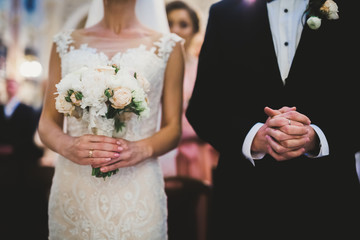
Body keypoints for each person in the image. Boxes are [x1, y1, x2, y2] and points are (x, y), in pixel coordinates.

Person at [186, 0, 360, 239]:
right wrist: (254, 137)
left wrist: (316, 137)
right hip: (244, 201)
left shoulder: (352, 10)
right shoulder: (224, 13)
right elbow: (203, 108)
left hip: (329, 198)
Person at [38, 0, 184, 239]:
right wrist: (68, 145)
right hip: (75, 185)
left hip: (137, 185)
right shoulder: (64, 43)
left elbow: (173, 129)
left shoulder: (168, 46)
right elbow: (46, 122)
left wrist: (142, 149)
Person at [164, 0, 219, 185]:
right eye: (169, 23)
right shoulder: (152, 72)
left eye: (183, 24)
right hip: (164, 153)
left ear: (194, 31)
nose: (175, 30)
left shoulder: (202, 70)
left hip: (198, 153)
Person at [0, 77, 45, 238]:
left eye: (13, 84)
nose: (10, 87)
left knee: (17, 198)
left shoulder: (26, 110)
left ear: (17, 88)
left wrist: (13, 148)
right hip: (2, 163)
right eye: (8, 84)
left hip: (20, 162)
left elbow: (29, 135)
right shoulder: (1, 108)